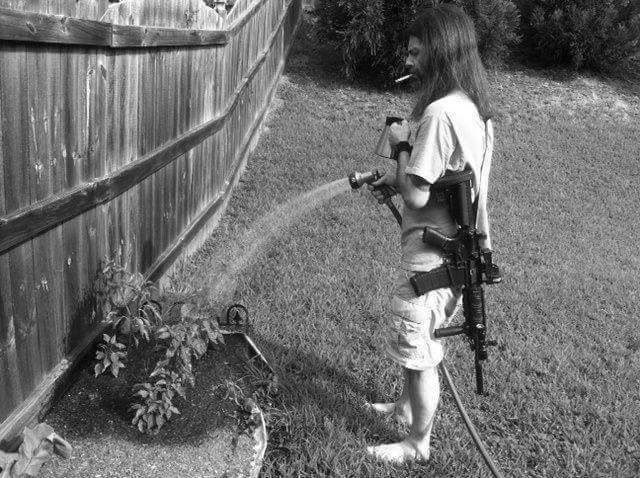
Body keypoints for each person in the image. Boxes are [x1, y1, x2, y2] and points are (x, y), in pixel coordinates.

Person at [365, 4, 495, 464]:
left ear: (440, 54)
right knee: (415, 342)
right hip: (457, 253)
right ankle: (404, 409)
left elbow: (417, 197)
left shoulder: (439, 114)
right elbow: (448, 179)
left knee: (418, 346)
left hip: (433, 260)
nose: (408, 62)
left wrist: (401, 144)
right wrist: (398, 176)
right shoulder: (470, 107)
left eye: (416, 53)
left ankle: (417, 443)